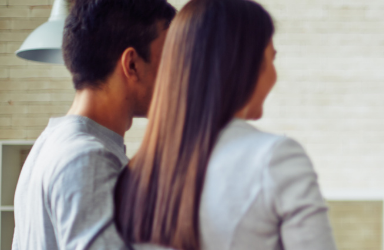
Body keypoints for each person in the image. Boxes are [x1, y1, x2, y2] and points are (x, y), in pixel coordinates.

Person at [113, 0, 337, 250]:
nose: (275, 74)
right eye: (271, 58)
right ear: (245, 63)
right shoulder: (275, 159)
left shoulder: (134, 175)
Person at [12, 0, 176, 249]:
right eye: (169, 59)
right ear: (132, 64)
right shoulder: (86, 159)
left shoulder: (50, 144)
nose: (177, 74)